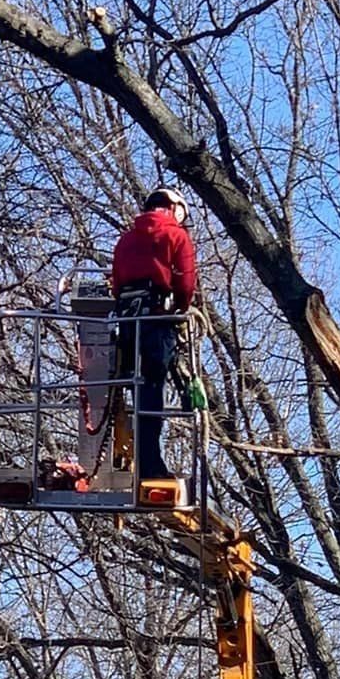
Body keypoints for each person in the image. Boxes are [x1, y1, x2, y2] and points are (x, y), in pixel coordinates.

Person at [111, 189, 197, 481]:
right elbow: (185, 284)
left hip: (128, 321)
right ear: (174, 208)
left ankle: (138, 458)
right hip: (157, 319)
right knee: (152, 392)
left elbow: (117, 283)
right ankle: (150, 465)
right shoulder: (176, 236)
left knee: (136, 388)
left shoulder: (125, 240)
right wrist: (181, 311)